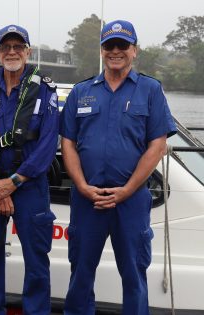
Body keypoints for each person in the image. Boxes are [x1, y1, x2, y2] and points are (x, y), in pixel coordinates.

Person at [60, 20, 177, 315]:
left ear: (134, 50)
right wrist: (83, 186)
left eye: (122, 45)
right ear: (101, 50)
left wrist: (127, 190)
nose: (115, 51)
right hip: (88, 201)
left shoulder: (151, 90)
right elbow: (68, 144)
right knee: (80, 276)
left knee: (135, 277)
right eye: (109, 45)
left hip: (132, 201)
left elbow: (157, 146)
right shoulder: (81, 92)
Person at [0, 24, 59, 315]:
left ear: (28, 52)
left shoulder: (44, 90)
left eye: (18, 47)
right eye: (5, 47)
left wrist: (13, 183)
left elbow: (47, 146)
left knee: (36, 259)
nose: (11, 52)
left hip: (29, 186)